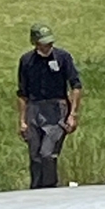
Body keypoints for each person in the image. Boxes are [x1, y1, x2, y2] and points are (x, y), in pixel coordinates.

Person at [17, 22, 82, 188]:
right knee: (35, 155)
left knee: (47, 153)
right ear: (36, 43)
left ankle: (50, 189)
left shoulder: (63, 58)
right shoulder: (26, 61)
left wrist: (72, 114)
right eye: (44, 44)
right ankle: (36, 190)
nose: (47, 47)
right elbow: (22, 93)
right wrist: (23, 121)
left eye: (49, 43)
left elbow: (76, 86)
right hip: (34, 108)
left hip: (56, 109)